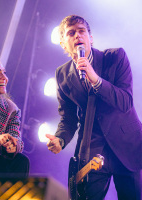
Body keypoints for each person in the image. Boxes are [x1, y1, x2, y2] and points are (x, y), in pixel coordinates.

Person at [46, 15, 142, 200]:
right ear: (63, 43)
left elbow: (125, 102)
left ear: (90, 37)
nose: (77, 36)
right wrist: (60, 139)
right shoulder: (62, 74)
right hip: (92, 149)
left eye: (82, 31)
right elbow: (68, 118)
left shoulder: (115, 57)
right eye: (71, 33)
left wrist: (96, 80)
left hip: (126, 144)